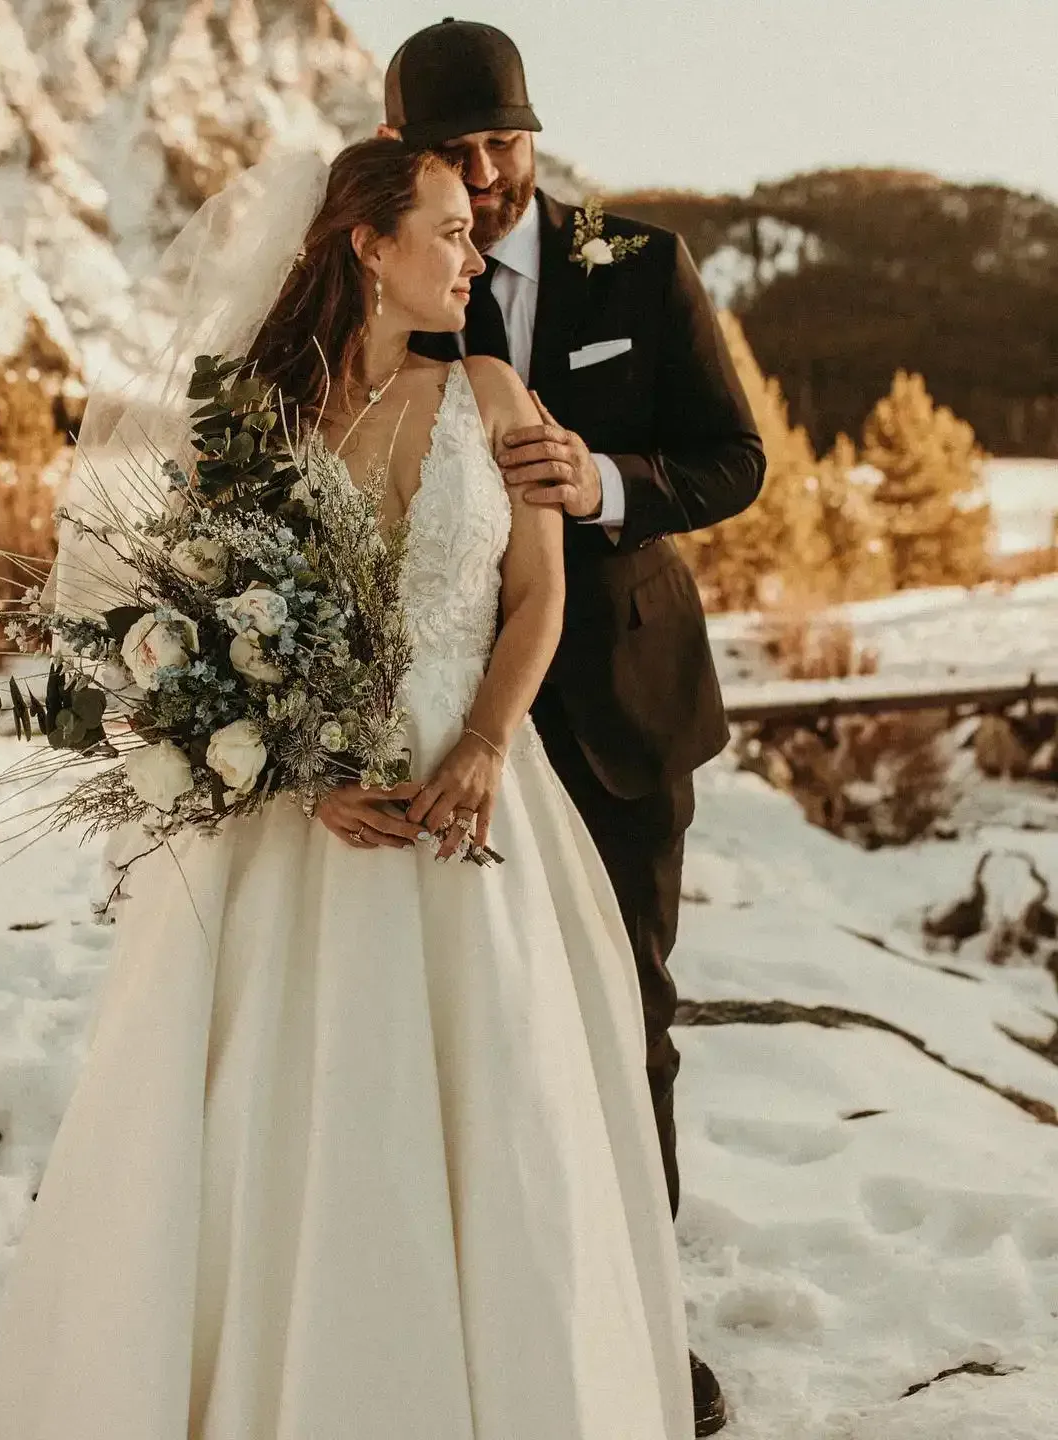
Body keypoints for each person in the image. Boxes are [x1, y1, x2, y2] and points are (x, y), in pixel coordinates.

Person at [0, 137, 693, 1440]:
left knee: (494, 1117)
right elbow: (208, 629)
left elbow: (539, 595)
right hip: (309, 825)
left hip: (473, 804)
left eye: (474, 233)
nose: (473, 255)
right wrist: (293, 776)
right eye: (449, 231)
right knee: (287, 1130)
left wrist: (485, 746)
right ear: (367, 243)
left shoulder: (502, 394)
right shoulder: (257, 417)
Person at [384, 19, 767, 1435]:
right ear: (406, 157)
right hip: (442, 710)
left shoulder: (643, 268)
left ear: (536, 133)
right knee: (479, 1028)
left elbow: (736, 460)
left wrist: (604, 477)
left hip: (620, 709)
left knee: (629, 1021)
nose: (486, 175)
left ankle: (644, 1330)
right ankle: (490, 1321)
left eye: (506, 141)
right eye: (457, 151)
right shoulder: (404, 273)